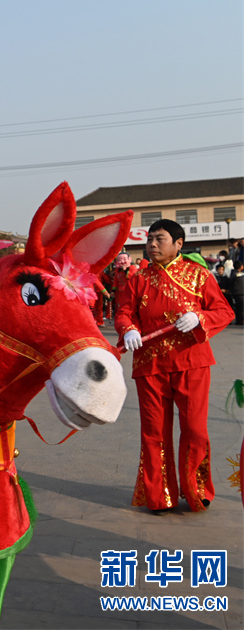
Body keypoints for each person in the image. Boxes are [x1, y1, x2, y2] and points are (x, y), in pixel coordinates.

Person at [115, 219, 234, 516]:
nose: (152, 244)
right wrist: (128, 328)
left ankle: (196, 490)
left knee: (194, 428)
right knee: (154, 431)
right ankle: (159, 495)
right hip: (150, 364)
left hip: (192, 362)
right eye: (150, 239)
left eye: (160, 239)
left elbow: (223, 311)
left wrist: (200, 319)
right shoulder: (137, 279)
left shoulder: (199, 275)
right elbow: (123, 312)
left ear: (178, 243)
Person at [230, 261, 244, 326]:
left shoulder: (241, 273)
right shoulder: (234, 273)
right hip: (238, 293)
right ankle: (240, 320)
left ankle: (239, 320)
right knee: (241, 306)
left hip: (241, 292)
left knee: (239, 307)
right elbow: (231, 280)